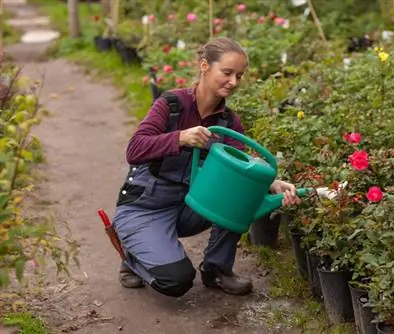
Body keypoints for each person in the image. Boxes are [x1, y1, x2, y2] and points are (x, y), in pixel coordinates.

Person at [111, 37, 301, 298]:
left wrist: (272, 184)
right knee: (176, 281)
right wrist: (180, 137)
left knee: (237, 196)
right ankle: (134, 256)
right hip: (145, 207)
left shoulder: (228, 122)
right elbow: (134, 150)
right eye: (227, 73)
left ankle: (217, 270)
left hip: (189, 206)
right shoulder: (172, 106)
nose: (234, 82)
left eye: (239, 76)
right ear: (204, 66)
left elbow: (242, 170)